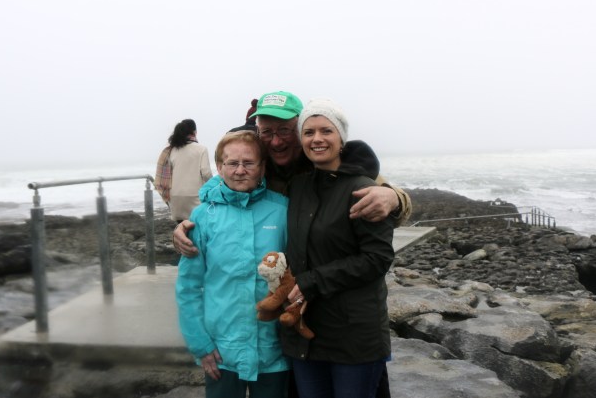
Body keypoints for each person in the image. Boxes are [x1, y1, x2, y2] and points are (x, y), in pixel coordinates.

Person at [173, 90, 411, 255]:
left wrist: (394, 199)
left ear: (301, 129)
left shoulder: (327, 163)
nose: (276, 141)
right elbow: (218, 195)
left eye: (285, 130)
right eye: (267, 132)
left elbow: (392, 203)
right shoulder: (254, 169)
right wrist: (190, 227)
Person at [282, 98, 394, 398]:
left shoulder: (364, 189)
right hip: (305, 332)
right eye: (308, 132)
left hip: (353, 335)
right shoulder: (298, 187)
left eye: (326, 131)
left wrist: (311, 281)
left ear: (342, 139)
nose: (317, 139)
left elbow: (377, 258)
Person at [175, 131, 290, 398]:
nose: (240, 171)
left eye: (248, 163)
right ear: (219, 167)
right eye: (232, 163)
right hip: (221, 351)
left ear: (262, 167)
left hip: (273, 350)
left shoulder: (282, 211)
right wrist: (200, 344)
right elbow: (189, 287)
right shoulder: (203, 216)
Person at [155, 119, 213, 223]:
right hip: (195, 198)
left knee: (182, 229)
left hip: (175, 198)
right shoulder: (201, 149)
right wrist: (215, 186)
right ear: (194, 132)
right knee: (198, 227)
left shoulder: (171, 150)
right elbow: (206, 173)